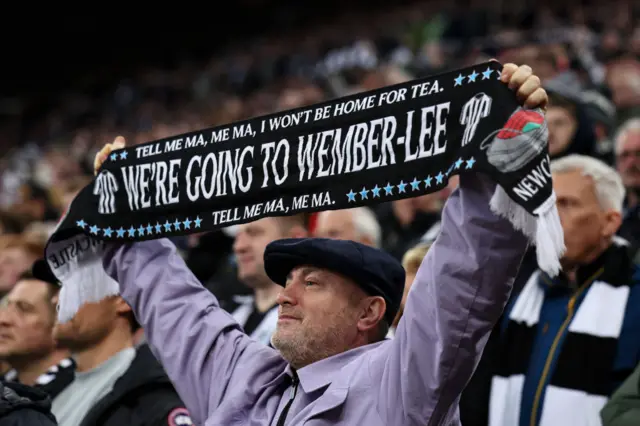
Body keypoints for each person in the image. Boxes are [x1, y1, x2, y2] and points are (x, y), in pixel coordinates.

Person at [93, 63, 547, 425]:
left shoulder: (398, 385)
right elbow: (174, 305)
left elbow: (459, 281)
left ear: (369, 312)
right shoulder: (242, 377)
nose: (285, 296)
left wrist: (502, 137)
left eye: (312, 283)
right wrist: (119, 209)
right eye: (289, 280)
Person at [489, 155, 640, 426]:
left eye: (567, 204)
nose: (550, 217)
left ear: (610, 222)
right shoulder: (521, 288)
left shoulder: (634, 294)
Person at [49, 278, 192, 426]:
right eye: (61, 286)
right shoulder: (50, 387)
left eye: (75, 286)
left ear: (123, 300)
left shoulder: (152, 398)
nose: (56, 300)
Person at [230, 215, 308, 345]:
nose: (239, 247)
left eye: (254, 233)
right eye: (237, 236)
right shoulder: (226, 310)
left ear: (294, 239)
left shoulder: (309, 323)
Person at [0, 262, 73, 399]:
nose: (3, 320)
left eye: (23, 308)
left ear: (59, 321)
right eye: (6, 306)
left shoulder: (73, 391)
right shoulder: (6, 387)